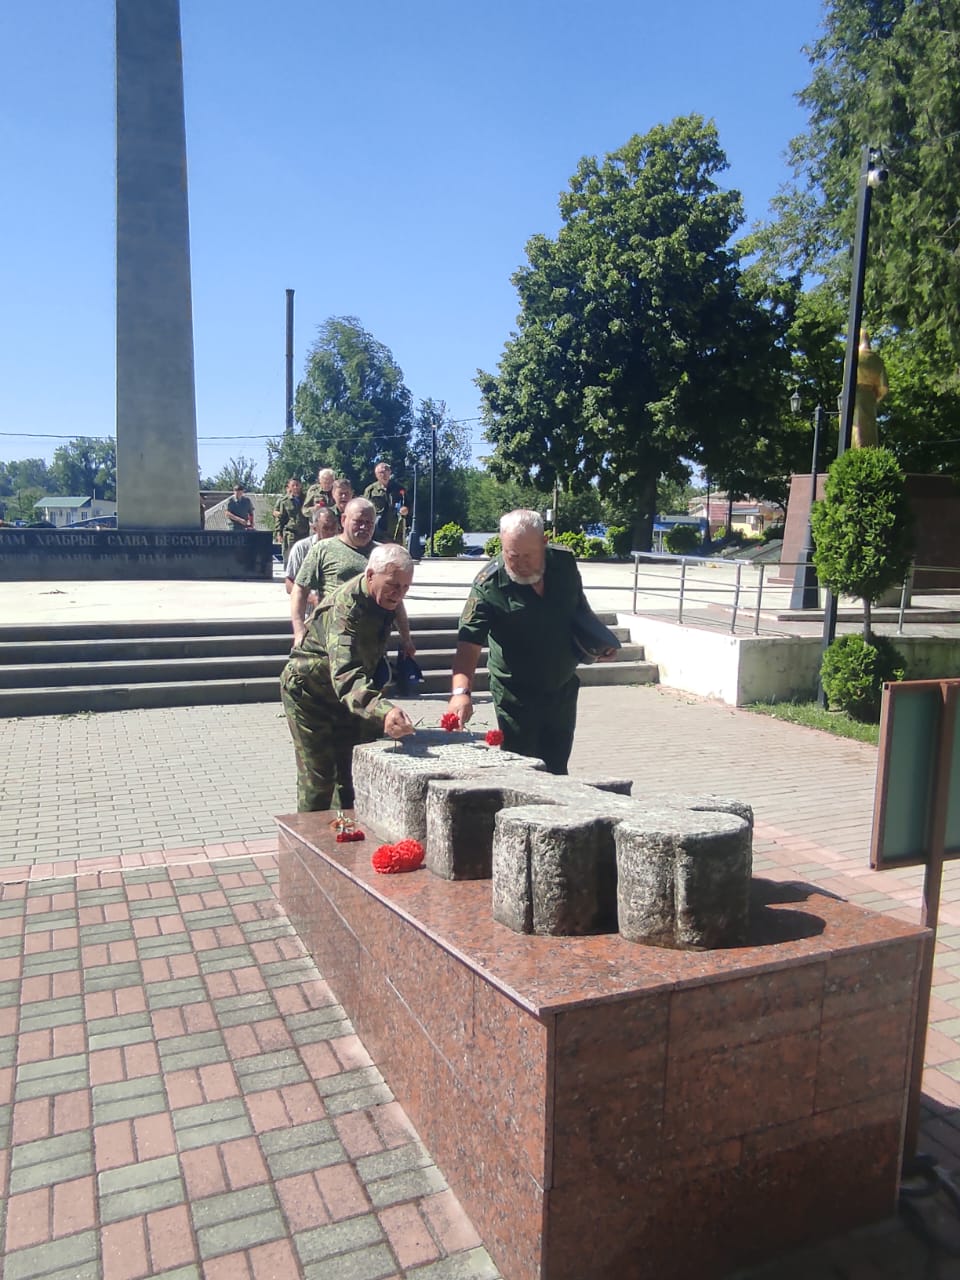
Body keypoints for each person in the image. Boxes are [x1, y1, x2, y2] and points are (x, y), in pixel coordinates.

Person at [445, 509, 616, 774]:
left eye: (529, 555)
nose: (521, 563)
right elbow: (468, 643)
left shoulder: (564, 563)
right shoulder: (489, 584)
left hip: (562, 688)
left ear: (544, 543)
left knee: (558, 766)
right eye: (513, 555)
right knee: (523, 768)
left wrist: (598, 639)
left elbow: (578, 606)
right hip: (516, 695)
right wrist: (461, 693)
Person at [281, 543, 417, 811]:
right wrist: (383, 711)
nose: (398, 594)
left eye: (405, 588)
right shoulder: (346, 609)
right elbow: (346, 674)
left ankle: (346, 838)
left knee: (352, 775)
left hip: (347, 697)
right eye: (392, 584)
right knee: (319, 780)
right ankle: (310, 845)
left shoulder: (384, 597)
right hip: (309, 695)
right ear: (369, 575)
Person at [290, 497, 416, 655]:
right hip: (334, 640)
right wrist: (299, 630)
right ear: (343, 520)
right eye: (359, 521)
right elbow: (299, 589)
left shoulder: (384, 554)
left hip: (373, 642)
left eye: (369, 523)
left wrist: (406, 638)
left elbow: (395, 598)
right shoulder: (323, 549)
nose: (364, 527)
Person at [285, 506, 339, 594]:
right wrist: (311, 599)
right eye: (325, 528)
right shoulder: (301, 548)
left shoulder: (343, 547)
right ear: (315, 528)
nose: (330, 532)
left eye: (333, 528)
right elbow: (289, 584)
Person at [852, 332, 889, 449]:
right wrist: (875, 397)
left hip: (853, 396)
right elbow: (884, 386)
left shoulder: (853, 356)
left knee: (855, 430)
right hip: (870, 396)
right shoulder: (877, 360)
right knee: (869, 431)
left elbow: (846, 380)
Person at [364, 461, 408, 543]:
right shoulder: (370, 490)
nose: (384, 474)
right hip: (377, 529)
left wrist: (405, 509)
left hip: (395, 529)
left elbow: (408, 504)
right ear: (376, 474)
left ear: (390, 473)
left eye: (386, 471)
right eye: (381, 472)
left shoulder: (399, 489)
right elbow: (365, 508)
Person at [273, 479, 309, 562]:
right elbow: (280, 518)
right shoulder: (284, 501)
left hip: (305, 532)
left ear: (301, 485)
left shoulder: (307, 499)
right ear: (289, 486)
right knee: (290, 556)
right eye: (293, 485)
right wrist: (279, 533)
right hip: (291, 532)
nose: (295, 487)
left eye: (297, 485)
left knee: (304, 557)